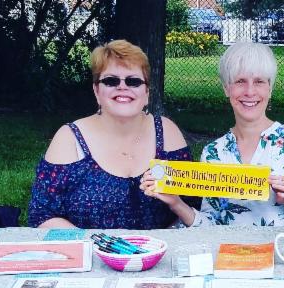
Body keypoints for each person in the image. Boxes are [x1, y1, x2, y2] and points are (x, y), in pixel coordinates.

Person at [141, 42, 284, 227]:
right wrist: (175, 203)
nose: (250, 91)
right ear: (226, 88)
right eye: (240, 81)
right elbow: (211, 226)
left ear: (270, 88)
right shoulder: (214, 153)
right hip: (229, 250)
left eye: (259, 82)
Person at [28, 40, 198, 229]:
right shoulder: (69, 138)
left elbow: (192, 205)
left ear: (147, 92)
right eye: (111, 81)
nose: (122, 87)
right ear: (96, 91)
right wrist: (94, 243)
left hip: (160, 247)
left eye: (133, 81)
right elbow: (42, 216)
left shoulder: (167, 132)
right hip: (89, 247)